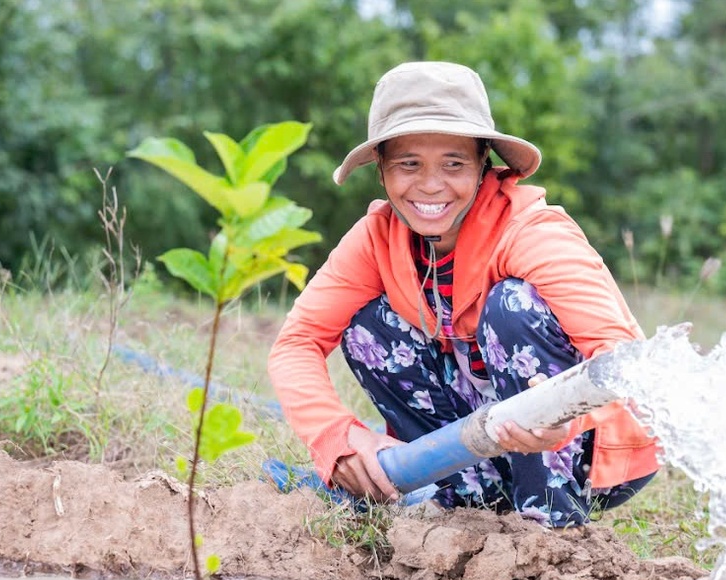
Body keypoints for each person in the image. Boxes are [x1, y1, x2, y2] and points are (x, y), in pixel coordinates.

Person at [268, 61, 658, 528]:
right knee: (365, 326)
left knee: (511, 306)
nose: (431, 185)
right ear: (383, 175)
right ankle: (468, 499)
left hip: (585, 451)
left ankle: (549, 521)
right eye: (408, 164)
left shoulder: (530, 231)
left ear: (482, 167)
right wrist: (337, 438)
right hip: (483, 438)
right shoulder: (377, 238)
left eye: (453, 164)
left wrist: (562, 418)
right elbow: (296, 344)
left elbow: (626, 363)